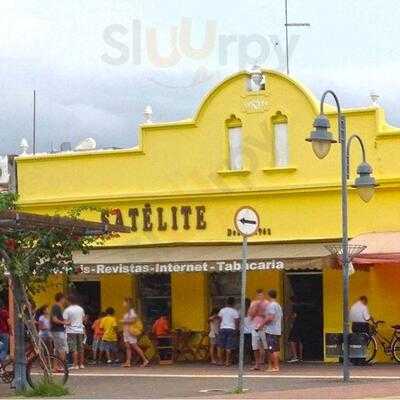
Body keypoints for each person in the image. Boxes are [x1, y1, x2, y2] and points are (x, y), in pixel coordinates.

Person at [121, 298, 149, 368]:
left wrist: (124, 321)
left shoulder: (132, 311)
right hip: (126, 331)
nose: (123, 304)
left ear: (128, 303)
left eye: (125, 302)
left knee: (135, 346)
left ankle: (145, 360)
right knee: (128, 347)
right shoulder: (127, 312)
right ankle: (128, 362)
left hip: (131, 331)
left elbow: (133, 320)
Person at [63, 294, 86, 370]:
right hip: (80, 330)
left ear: (69, 301)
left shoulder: (67, 310)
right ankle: (81, 364)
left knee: (74, 348)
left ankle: (75, 364)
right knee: (81, 348)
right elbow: (83, 319)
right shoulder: (80, 309)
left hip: (71, 330)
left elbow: (66, 321)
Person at [248, 289, 269, 370]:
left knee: (266, 346)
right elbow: (250, 314)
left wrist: (260, 313)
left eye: (261, 295)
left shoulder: (267, 304)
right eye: (258, 295)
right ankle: (257, 364)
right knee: (255, 347)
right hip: (254, 326)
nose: (260, 297)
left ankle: (269, 364)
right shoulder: (253, 303)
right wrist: (255, 308)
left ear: (264, 296)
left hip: (264, 327)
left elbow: (268, 315)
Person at [263, 289, 283, 372]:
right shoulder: (278, 305)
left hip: (271, 330)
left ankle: (275, 366)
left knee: (271, 349)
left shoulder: (271, 305)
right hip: (277, 330)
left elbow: (270, 317)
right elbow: (280, 317)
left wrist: (263, 323)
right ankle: (275, 366)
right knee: (276, 349)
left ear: (269, 295)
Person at [216, 297, 239, 367]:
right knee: (229, 347)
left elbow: (219, 320)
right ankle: (227, 362)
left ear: (226, 302)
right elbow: (237, 322)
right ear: (234, 303)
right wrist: (236, 330)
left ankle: (220, 361)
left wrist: (219, 328)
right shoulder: (235, 311)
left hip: (222, 328)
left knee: (220, 346)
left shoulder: (222, 310)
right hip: (231, 329)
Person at [50, 292, 68, 363]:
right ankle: (62, 365)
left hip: (59, 330)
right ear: (61, 299)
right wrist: (64, 322)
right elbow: (54, 319)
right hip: (58, 330)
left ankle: (56, 366)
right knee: (62, 348)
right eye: (64, 299)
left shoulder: (60, 307)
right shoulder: (56, 307)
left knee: (57, 349)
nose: (65, 300)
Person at [287, 295, 306, 363]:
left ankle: (295, 356)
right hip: (303, 324)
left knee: (292, 340)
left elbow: (294, 316)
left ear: (292, 301)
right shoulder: (303, 306)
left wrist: (290, 321)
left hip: (296, 324)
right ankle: (301, 357)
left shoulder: (295, 306)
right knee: (300, 341)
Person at [0, 299, 10, 364]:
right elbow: (9, 323)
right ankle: (0, 361)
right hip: (4, 332)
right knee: (4, 349)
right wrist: (11, 331)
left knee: (1, 347)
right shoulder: (4, 312)